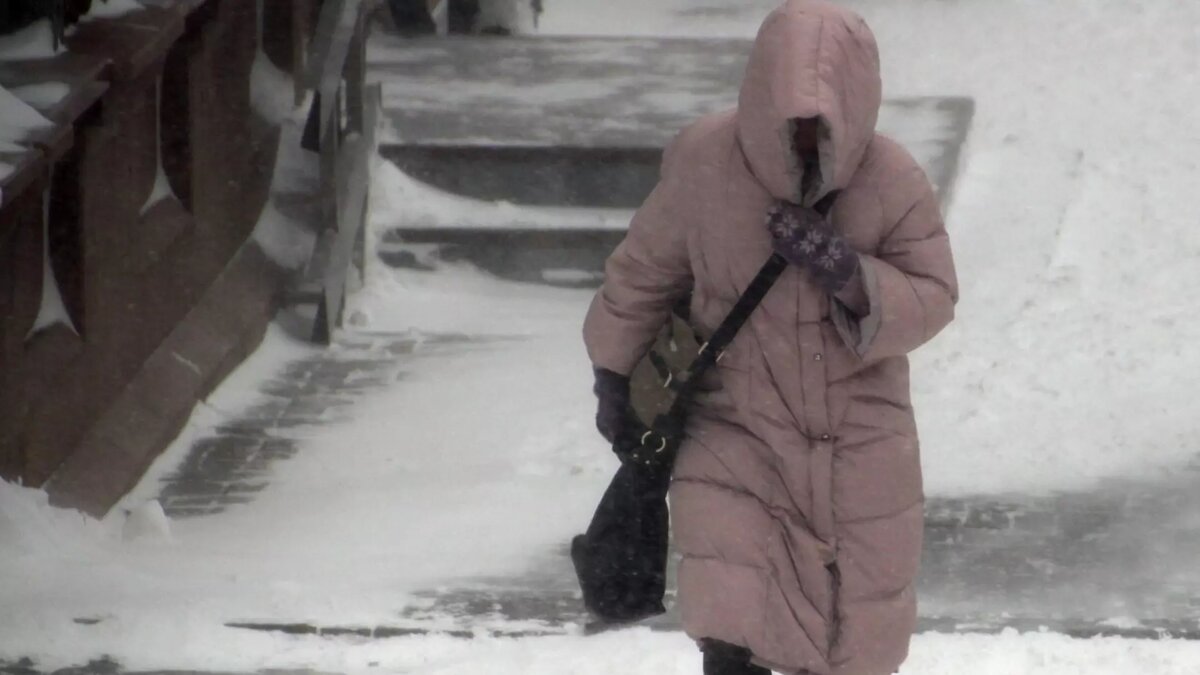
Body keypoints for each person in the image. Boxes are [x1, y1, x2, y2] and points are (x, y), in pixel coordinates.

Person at [583, 2, 958, 674]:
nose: (807, 144)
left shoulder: (892, 178)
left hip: (859, 443)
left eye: (822, 129)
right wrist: (614, 374)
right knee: (736, 619)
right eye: (793, 127)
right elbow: (643, 274)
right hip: (735, 434)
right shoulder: (706, 160)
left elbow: (934, 295)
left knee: (857, 632)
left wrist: (851, 276)